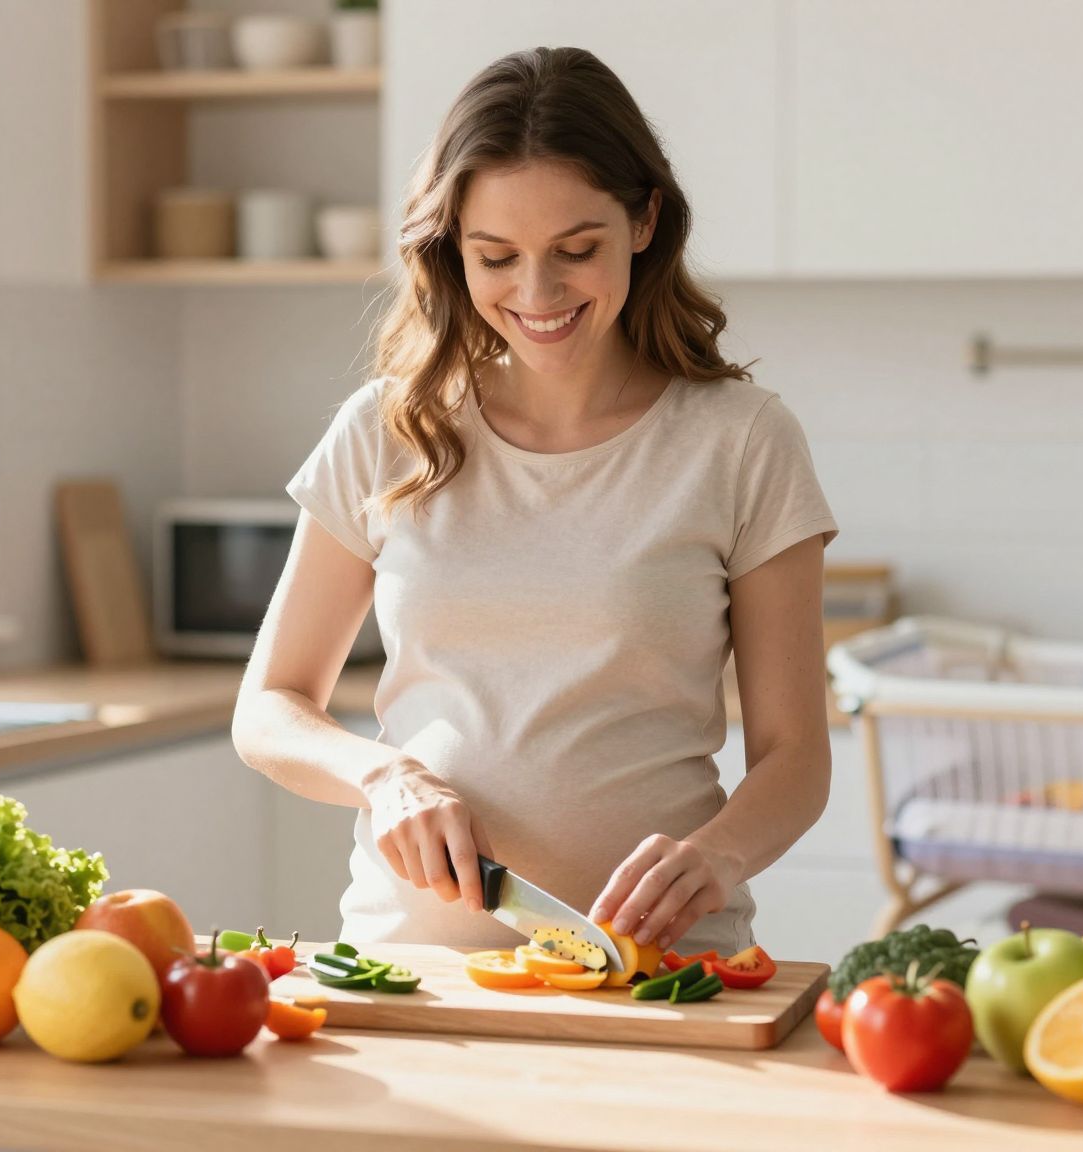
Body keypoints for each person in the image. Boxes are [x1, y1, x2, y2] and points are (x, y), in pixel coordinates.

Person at [232, 46, 838, 956]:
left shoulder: (741, 440)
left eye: (576, 250)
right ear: (453, 251)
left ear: (645, 221)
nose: (537, 293)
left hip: (662, 972)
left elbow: (796, 759)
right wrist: (383, 775)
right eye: (496, 256)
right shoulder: (388, 430)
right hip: (413, 969)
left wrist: (716, 857)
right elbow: (270, 706)